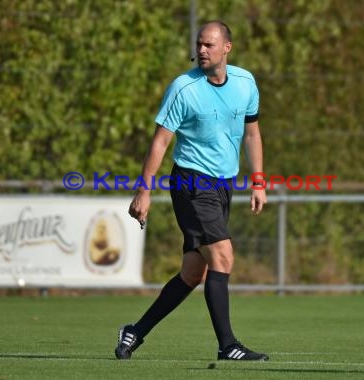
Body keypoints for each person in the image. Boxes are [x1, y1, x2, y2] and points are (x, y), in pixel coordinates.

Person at [115, 20, 268, 361]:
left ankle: (134, 332)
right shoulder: (184, 88)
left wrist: (258, 180)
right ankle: (228, 345)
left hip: (224, 185)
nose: (201, 50)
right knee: (224, 255)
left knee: (193, 273)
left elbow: (253, 134)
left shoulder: (245, 84)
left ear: (226, 48)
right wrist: (144, 191)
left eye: (209, 45)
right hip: (191, 182)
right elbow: (160, 142)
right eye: (199, 44)